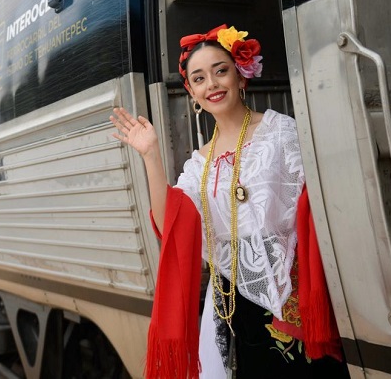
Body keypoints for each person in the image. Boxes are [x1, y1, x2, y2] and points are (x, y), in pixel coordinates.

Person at [110, 24, 350, 378]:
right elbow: (169, 225)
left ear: (240, 75)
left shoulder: (280, 131)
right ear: (192, 92)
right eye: (199, 78)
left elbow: (321, 205)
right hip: (235, 307)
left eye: (220, 71)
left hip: (297, 295)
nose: (212, 84)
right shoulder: (199, 164)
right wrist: (150, 156)